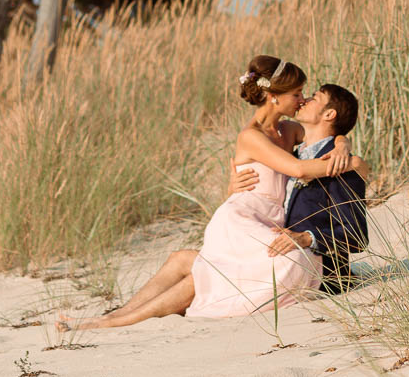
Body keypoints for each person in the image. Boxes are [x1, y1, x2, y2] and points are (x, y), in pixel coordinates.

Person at [71, 57, 366, 330]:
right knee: (208, 271)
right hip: (243, 219)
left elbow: (327, 133)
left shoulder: (289, 130)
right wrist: (351, 164)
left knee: (182, 260)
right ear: (274, 95)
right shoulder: (251, 135)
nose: (302, 99)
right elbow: (299, 170)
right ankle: (117, 320)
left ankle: (117, 315)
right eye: (297, 93)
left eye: (306, 94)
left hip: (267, 220)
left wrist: (343, 145)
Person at [230, 79, 367, 292]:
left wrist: (305, 238)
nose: (304, 100)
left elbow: (357, 235)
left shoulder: (342, 167)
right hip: (281, 257)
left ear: (329, 114)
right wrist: (233, 187)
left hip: (323, 277)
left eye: (314, 97)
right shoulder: (291, 158)